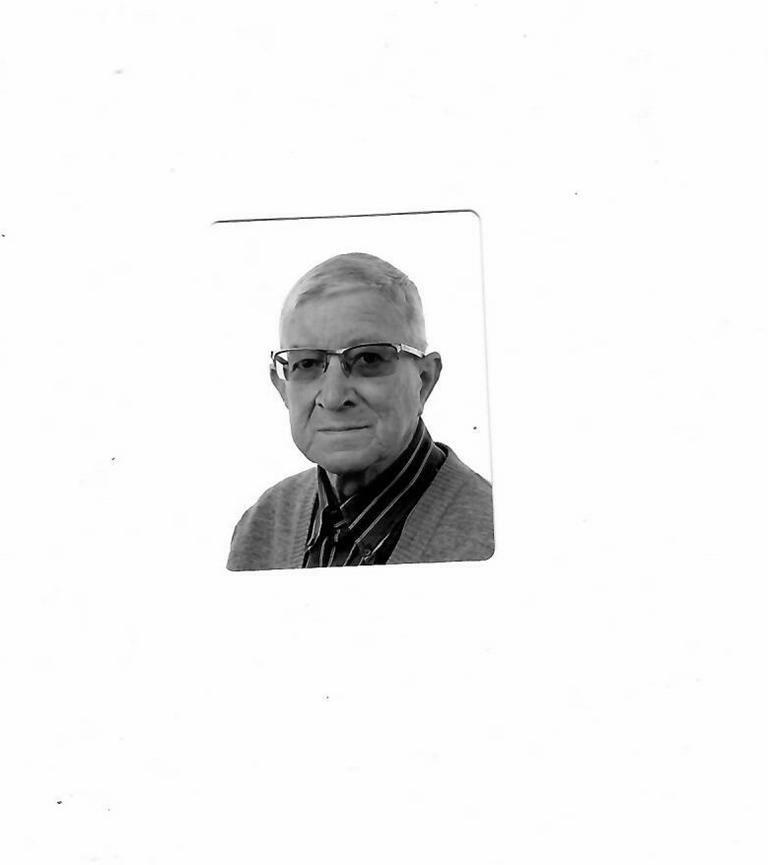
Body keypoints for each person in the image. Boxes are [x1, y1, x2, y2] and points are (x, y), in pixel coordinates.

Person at [227, 252, 494, 570]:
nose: (333, 397)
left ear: (423, 380)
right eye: (307, 363)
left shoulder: (494, 538)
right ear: (283, 388)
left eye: (369, 359)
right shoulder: (261, 527)